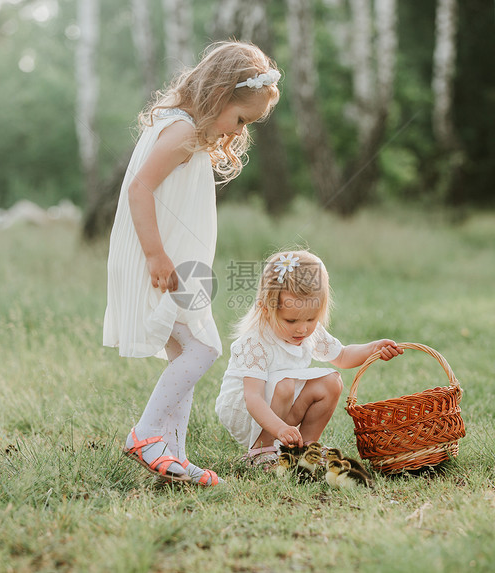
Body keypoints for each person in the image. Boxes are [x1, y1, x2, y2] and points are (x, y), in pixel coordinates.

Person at [103, 41, 281, 486]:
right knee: (204, 349)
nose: (240, 132)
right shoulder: (181, 132)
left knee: (184, 351)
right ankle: (146, 436)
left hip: (175, 263)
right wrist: (156, 255)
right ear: (219, 95)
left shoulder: (186, 129)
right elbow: (140, 189)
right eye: (240, 119)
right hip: (161, 263)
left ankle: (173, 456)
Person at [215, 250, 403, 467]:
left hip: (282, 401)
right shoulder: (255, 342)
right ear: (266, 310)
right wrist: (279, 429)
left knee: (332, 382)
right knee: (284, 385)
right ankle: (260, 450)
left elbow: (341, 356)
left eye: (311, 319)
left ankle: (305, 446)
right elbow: (253, 397)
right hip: (247, 411)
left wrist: (372, 349)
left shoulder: (308, 332)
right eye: (291, 320)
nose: (302, 328)